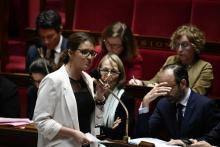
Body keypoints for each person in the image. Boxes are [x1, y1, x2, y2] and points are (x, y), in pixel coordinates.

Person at [33, 32, 106, 147]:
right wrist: (73, 133)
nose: (90, 57)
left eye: (92, 53)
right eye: (84, 52)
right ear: (70, 52)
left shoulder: (88, 80)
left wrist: (100, 98)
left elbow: (95, 120)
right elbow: (40, 122)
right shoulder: (53, 80)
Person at [136, 64, 219, 141]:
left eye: (168, 88)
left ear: (183, 83)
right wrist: (145, 104)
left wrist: (187, 143)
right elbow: (143, 136)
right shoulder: (163, 104)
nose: (165, 93)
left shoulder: (205, 104)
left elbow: (215, 137)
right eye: (162, 87)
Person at [129, 25, 213, 95]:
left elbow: (197, 94)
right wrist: (141, 83)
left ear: (195, 46)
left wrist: (167, 90)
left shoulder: (205, 67)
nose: (179, 49)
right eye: (177, 45)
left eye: (184, 45)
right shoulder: (171, 60)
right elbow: (155, 82)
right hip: (165, 105)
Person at [96, 53, 135, 139]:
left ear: (120, 75)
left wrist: (97, 129)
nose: (109, 75)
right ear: (99, 71)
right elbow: (83, 126)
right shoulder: (89, 93)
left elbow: (119, 134)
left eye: (113, 71)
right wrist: (107, 129)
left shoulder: (126, 99)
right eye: (105, 70)